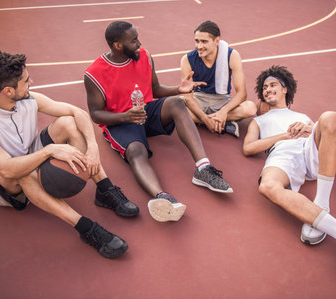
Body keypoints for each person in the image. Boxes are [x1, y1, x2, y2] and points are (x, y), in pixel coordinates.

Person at [0, 51, 139, 259]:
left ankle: (105, 190)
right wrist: (49, 150)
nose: (31, 82)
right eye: (26, 81)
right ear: (8, 90)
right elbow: (6, 168)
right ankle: (86, 228)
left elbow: (77, 113)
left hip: (28, 155)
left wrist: (92, 148)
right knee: (22, 174)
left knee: (68, 122)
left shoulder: (28, 99)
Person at [84, 21, 233, 223]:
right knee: (137, 151)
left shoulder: (144, 56)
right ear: (117, 45)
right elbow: (95, 114)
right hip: (120, 121)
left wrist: (178, 89)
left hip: (146, 112)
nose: (139, 43)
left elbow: (154, 89)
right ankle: (162, 197)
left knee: (177, 103)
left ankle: (203, 168)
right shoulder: (94, 73)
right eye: (134, 40)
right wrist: (126, 116)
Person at [243, 65, 336, 286]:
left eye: (273, 84)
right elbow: (249, 148)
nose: (267, 89)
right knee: (267, 186)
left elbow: (326, 133)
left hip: (307, 147)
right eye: (264, 87)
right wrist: (284, 135)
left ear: (285, 89)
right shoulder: (259, 120)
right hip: (282, 152)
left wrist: (308, 129)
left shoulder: (301, 116)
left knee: (331, 117)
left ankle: (322, 204)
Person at [180, 20, 257, 137]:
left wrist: (223, 112)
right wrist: (206, 119)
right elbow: (188, 97)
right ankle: (223, 124)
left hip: (222, 100)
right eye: (197, 41)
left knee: (250, 108)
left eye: (204, 41)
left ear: (217, 41)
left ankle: (206, 120)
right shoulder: (186, 59)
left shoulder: (232, 56)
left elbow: (242, 94)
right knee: (177, 106)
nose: (199, 46)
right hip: (199, 98)